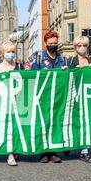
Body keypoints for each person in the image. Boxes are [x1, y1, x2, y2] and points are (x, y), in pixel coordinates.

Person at [31, 30, 69, 164]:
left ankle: (53, 152)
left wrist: (66, 71)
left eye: (55, 43)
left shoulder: (63, 59)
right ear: (45, 43)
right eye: (50, 43)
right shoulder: (39, 58)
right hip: (43, 96)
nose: (53, 45)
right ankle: (43, 152)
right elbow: (32, 75)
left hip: (58, 96)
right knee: (43, 123)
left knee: (55, 123)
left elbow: (70, 76)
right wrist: (41, 73)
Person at [69, 36, 91, 164]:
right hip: (75, 98)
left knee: (87, 122)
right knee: (75, 122)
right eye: (79, 45)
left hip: (89, 98)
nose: (82, 48)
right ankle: (69, 145)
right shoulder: (71, 61)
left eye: (84, 45)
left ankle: (84, 151)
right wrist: (74, 71)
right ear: (75, 47)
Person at [0, 41, 20, 167]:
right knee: (8, 127)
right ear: (3, 54)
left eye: (13, 51)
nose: (11, 54)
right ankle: (10, 154)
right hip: (5, 102)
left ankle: (16, 149)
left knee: (17, 127)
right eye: (8, 52)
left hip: (19, 102)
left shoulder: (19, 66)